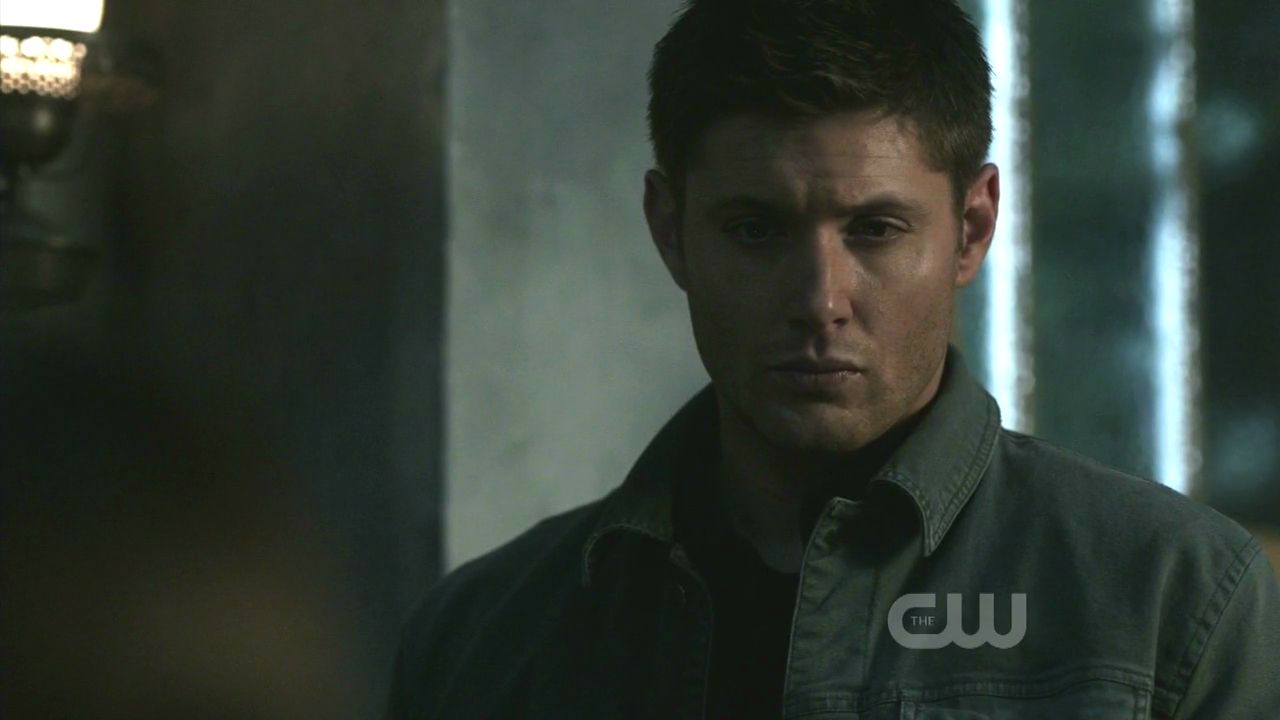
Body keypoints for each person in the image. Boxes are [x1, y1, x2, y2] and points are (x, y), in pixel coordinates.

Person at [388, 1, 1280, 717]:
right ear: (671, 231)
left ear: (972, 229)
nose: (820, 300)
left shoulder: (1167, 598)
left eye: (876, 229)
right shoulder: (487, 638)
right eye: (755, 230)